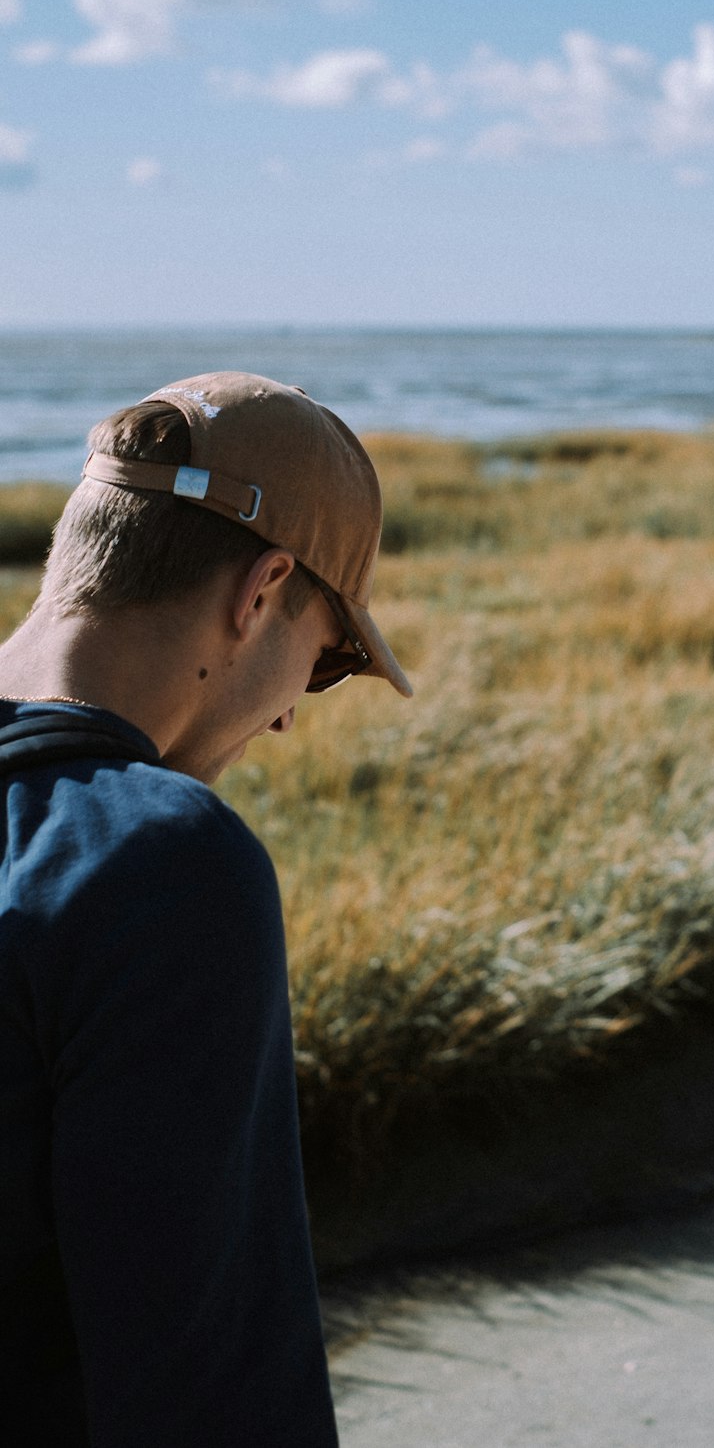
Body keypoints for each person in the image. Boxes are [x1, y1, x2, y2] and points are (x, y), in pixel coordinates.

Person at [0, 372, 412, 1447]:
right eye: (324, 665)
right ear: (261, 589)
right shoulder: (155, 864)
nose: (284, 724)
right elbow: (208, 1380)